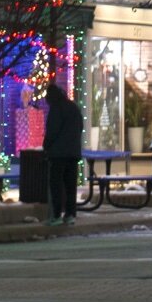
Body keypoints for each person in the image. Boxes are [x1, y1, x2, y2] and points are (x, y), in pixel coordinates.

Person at [40, 81, 84, 224]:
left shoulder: (56, 109)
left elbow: (52, 131)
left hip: (58, 155)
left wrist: (46, 146)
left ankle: (57, 215)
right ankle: (70, 214)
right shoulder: (73, 107)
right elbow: (80, 127)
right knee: (71, 186)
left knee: (56, 185)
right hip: (73, 153)